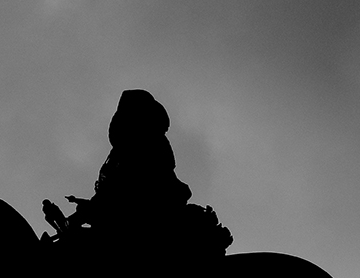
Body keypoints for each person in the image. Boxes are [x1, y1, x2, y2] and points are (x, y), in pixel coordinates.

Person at [42, 90, 232, 260]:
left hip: (147, 229)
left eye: (124, 120)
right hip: (127, 224)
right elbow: (110, 196)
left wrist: (79, 218)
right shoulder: (123, 153)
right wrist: (77, 217)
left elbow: (125, 195)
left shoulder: (146, 148)